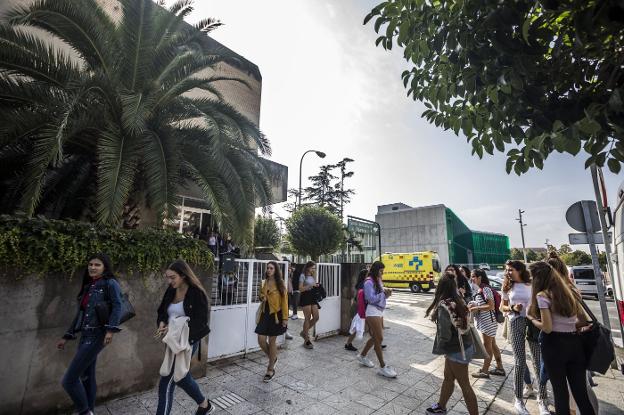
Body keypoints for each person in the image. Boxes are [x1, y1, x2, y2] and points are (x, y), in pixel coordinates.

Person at [58, 253, 123, 415]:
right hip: (85, 335)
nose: (92, 267)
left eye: (97, 265)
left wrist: (110, 330)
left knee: (69, 380)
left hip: (97, 335)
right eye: (90, 264)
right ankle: (90, 411)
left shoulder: (110, 283)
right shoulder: (89, 285)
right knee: (87, 377)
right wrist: (67, 336)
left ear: (105, 267)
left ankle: (85, 412)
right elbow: (81, 313)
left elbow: (117, 305)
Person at [536, 257, 599, 415]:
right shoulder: (571, 290)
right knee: (581, 394)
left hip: (554, 345)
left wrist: (532, 318)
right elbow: (582, 320)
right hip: (574, 343)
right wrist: (569, 325)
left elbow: (548, 328)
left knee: (560, 393)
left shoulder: (543, 295)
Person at [155, 260, 213, 415]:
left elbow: (201, 321)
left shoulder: (196, 293)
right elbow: (162, 310)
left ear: (183, 275)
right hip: (171, 341)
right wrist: (162, 322)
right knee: (181, 376)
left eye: (172, 277)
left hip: (188, 341)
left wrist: (175, 327)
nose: (169, 281)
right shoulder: (171, 290)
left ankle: (205, 405)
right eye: (167, 277)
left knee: (166, 384)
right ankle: (204, 405)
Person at [425, 273, 478, 415]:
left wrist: (440, 345)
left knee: (465, 385)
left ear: (440, 287)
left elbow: (445, 335)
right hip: (464, 345)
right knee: (448, 378)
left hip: (456, 349)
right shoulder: (458, 299)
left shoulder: (444, 306)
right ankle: (441, 406)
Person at [501, 260, 548, 415]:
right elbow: (502, 307)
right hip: (515, 322)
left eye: (511, 269)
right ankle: (519, 400)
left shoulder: (532, 283)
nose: (508, 272)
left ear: (520, 270)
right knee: (519, 361)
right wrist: (512, 308)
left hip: (533, 323)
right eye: (507, 270)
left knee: (537, 361)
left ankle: (542, 400)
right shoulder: (507, 286)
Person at [356, 261, 397, 378]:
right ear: (375, 270)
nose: (382, 273)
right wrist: (384, 294)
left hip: (379, 310)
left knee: (375, 338)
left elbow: (379, 292)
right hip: (372, 311)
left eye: (383, 271)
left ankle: (362, 355)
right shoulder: (369, 282)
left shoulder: (378, 280)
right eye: (380, 271)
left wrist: (386, 292)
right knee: (379, 338)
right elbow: (370, 298)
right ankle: (383, 367)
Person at [255, 261, 289, 382]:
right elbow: (260, 295)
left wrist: (285, 318)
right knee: (261, 339)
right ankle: (273, 358)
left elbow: (285, 301)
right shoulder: (264, 282)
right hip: (265, 314)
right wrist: (261, 297)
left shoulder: (281, 284)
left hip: (276, 315)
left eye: (271, 268)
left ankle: (270, 369)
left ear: (276, 270)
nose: (269, 270)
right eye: (268, 268)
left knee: (272, 341)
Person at [468, 269, 505, 378]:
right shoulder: (481, 289)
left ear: (480, 277)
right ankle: (500, 368)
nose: (472, 279)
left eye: (473, 276)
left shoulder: (485, 289)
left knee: (487, 347)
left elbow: (491, 306)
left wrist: (476, 307)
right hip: (487, 321)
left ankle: (485, 371)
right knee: (493, 345)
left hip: (488, 322)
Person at [345, 268, 368, 351]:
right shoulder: (362, 284)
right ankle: (348, 344)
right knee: (356, 327)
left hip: (359, 307)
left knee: (358, 326)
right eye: (367, 274)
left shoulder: (362, 283)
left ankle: (377, 342)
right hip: (359, 307)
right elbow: (360, 298)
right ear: (364, 276)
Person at [299, 261, 320, 349]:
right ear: (308, 267)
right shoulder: (302, 275)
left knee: (316, 317)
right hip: (305, 297)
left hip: (312, 297)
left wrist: (316, 285)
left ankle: (304, 332)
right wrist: (309, 286)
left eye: (314, 268)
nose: (314, 270)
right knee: (307, 318)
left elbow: (314, 285)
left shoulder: (312, 275)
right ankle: (306, 340)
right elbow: (300, 289)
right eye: (312, 268)